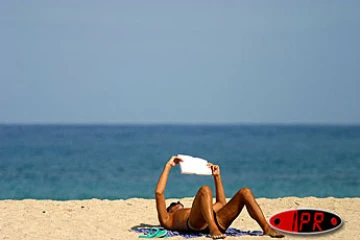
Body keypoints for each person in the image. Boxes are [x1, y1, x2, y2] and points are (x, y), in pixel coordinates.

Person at [155, 156, 285, 239]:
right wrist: (168, 166)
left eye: (178, 203)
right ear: (170, 209)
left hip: (216, 220)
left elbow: (221, 203)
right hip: (197, 224)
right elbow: (159, 193)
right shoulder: (168, 219)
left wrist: (217, 177)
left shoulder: (201, 210)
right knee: (205, 189)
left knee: (245, 192)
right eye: (175, 204)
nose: (178, 203)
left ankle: (266, 228)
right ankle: (212, 228)